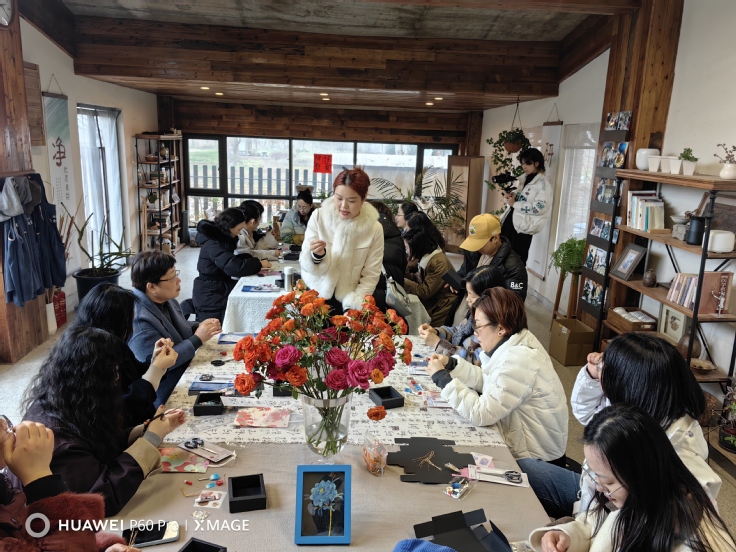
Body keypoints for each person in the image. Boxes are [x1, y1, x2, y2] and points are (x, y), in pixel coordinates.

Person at [518, 333, 721, 520]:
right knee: (523, 470)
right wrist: (591, 376)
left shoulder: (675, 453)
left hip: (609, 513)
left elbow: (625, 523)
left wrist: (579, 529)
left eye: (605, 369)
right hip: (593, 496)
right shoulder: (635, 408)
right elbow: (585, 412)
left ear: (627, 382)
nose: (600, 370)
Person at [23, 326, 186, 517]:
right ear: (94, 380)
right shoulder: (59, 441)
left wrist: (142, 432)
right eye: (114, 373)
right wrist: (151, 438)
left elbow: (99, 441)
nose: (117, 378)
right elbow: (103, 497)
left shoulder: (70, 399)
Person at [530, 405, 735, 552]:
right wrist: (567, 535)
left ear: (641, 476)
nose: (599, 488)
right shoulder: (632, 499)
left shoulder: (699, 541)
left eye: (608, 482)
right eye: (596, 477)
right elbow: (592, 526)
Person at [425, 287, 568, 463]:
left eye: (478, 326)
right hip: (525, 443)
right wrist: (452, 364)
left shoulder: (518, 359)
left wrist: (443, 379)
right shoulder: (514, 342)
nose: (475, 334)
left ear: (500, 328)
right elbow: (489, 381)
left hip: (538, 460)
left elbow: (481, 413)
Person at [0, 416, 138, 552]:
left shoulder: (6, 500)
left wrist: (103, 549)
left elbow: (35, 542)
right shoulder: (58, 438)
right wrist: (38, 477)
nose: (3, 423)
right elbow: (109, 493)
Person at [74, 283, 178, 427]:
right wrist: (157, 369)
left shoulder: (114, 343)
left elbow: (135, 373)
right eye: (128, 323)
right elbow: (124, 408)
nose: (132, 329)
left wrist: (155, 359)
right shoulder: (91, 360)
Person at [128, 250, 221, 406]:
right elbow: (160, 364)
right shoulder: (139, 320)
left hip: (186, 371)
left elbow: (177, 327)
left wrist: (200, 326)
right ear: (152, 287)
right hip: (166, 392)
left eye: (176, 274)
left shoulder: (166, 299)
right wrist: (197, 338)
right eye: (172, 278)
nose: (178, 280)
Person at [299, 167, 384, 312]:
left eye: (351, 200)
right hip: (316, 294)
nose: (344, 206)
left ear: (364, 198)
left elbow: (371, 274)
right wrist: (317, 256)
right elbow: (305, 261)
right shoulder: (319, 217)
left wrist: (354, 305)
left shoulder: (374, 229)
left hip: (350, 297)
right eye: (338, 198)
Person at [193, 208, 271, 322]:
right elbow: (234, 268)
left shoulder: (219, 239)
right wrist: (258, 264)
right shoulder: (215, 243)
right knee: (216, 327)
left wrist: (246, 259)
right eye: (239, 229)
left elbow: (228, 261)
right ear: (229, 226)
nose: (239, 233)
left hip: (216, 286)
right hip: (211, 293)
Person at [418, 266, 505, 363]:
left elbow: (474, 361)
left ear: (486, 297)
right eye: (467, 294)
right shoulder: (475, 313)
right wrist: (437, 332)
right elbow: (459, 331)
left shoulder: (492, 325)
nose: (467, 299)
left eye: (471, 295)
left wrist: (438, 344)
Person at [501, 148, 552, 264]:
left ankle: (515, 278)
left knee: (516, 262)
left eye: (527, 163)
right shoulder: (524, 178)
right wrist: (512, 195)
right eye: (523, 163)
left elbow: (538, 208)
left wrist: (515, 204)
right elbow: (524, 197)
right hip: (512, 222)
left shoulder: (543, 184)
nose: (524, 166)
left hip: (523, 228)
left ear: (536, 164)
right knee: (503, 258)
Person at [402, 218, 456, 327]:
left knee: (429, 332)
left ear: (417, 246)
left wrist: (404, 281)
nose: (406, 251)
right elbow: (419, 279)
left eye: (407, 248)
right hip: (435, 303)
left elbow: (425, 291)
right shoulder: (427, 257)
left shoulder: (438, 262)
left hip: (443, 306)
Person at [368, 200, 407, 312]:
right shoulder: (398, 238)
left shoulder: (364, 235)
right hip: (392, 298)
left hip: (369, 297)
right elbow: (403, 267)